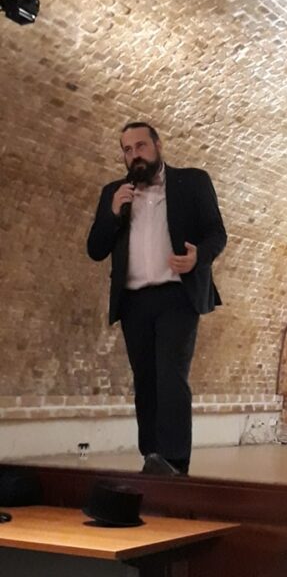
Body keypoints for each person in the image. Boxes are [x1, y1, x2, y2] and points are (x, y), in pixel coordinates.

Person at [87, 121, 227, 475]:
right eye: (127, 150)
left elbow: (217, 233)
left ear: (158, 145)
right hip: (134, 301)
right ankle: (152, 457)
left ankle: (175, 461)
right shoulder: (114, 193)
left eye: (141, 146)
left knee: (171, 377)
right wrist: (112, 213)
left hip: (177, 296)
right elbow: (96, 249)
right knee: (145, 381)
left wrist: (198, 257)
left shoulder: (192, 182)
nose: (134, 154)